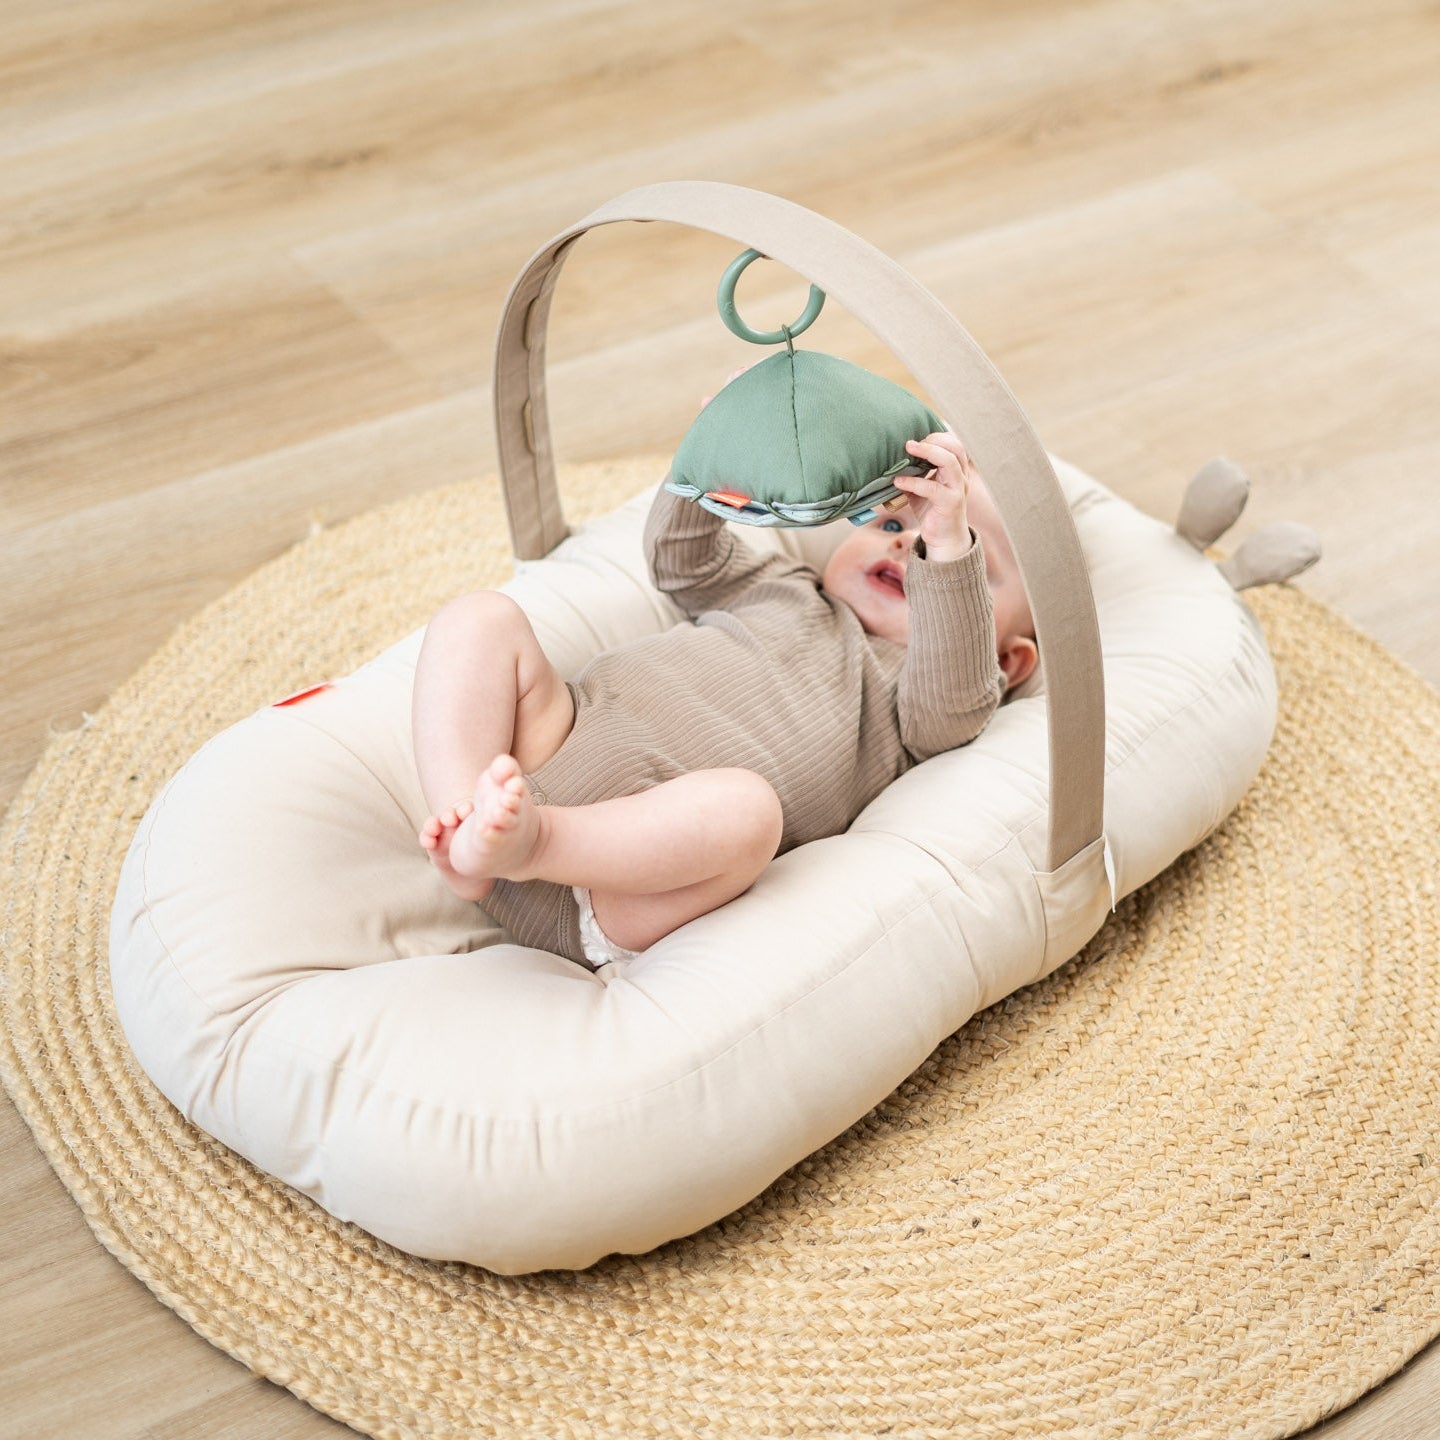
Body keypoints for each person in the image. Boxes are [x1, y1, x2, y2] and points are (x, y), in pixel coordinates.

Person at [412, 423, 1038, 969]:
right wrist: (722, 441)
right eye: (893, 523)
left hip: (618, 886)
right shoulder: (783, 585)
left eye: (968, 560)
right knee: (480, 618)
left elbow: (955, 699)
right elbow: (680, 560)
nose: (908, 546)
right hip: (543, 751)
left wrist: (946, 549)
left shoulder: (924, 695)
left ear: (1007, 663)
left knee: (747, 812)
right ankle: (463, 823)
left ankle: (536, 841)